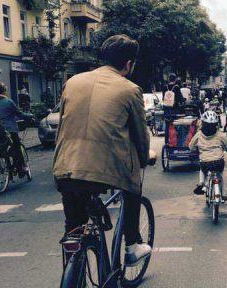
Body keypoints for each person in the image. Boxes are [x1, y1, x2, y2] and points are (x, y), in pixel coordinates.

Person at [53, 34, 152, 266]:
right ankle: (132, 244)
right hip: (106, 171)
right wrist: (145, 158)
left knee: (74, 227)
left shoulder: (73, 82)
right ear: (128, 64)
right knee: (134, 179)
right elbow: (140, 135)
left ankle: (72, 264)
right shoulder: (130, 89)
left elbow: (63, 126)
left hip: (65, 167)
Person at [190, 111, 227, 197]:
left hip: (205, 163)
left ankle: (201, 182)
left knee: (202, 169)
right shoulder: (220, 135)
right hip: (218, 162)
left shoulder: (198, 134)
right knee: (220, 176)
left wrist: (196, 148)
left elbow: (191, 146)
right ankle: (223, 194)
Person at [0, 81, 32, 177]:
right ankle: (21, 168)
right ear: (4, 91)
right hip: (9, 131)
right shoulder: (8, 102)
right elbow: (20, 114)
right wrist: (30, 116)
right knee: (17, 146)